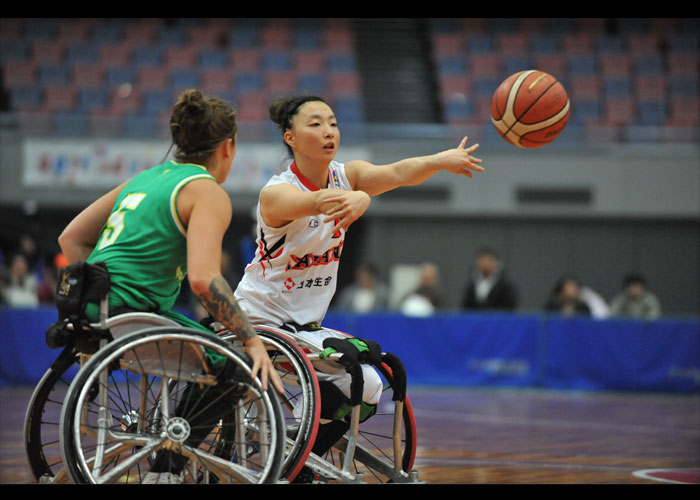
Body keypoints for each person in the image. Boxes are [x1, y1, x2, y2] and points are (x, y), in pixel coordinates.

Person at [232, 95, 483, 479]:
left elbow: (397, 172)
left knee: (367, 386)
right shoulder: (277, 192)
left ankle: (295, 453)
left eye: (332, 122)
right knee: (354, 375)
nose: (328, 131)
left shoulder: (347, 174)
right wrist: (361, 195)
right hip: (257, 319)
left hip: (303, 328)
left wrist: (438, 160)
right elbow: (319, 201)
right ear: (291, 138)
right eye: (314, 124)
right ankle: (293, 453)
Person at [57, 89, 284, 483]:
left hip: (87, 305)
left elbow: (70, 239)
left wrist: (107, 278)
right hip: (133, 313)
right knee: (242, 366)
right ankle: (167, 469)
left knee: (209, 348)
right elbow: (203, 279)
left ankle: (171, 455)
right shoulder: (207, 191)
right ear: (228, 147)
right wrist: (251, 341)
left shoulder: (143, 178)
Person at [461, 247, 517, 311]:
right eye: (481, 260)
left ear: (495, 262)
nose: (485, 264)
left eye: (488, 260)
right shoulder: (471, 286)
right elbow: (465, 307)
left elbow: (509, 307)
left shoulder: (506, 285)